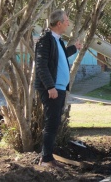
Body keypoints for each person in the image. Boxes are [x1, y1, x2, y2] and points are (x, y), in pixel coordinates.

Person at [35, 10, 82, 168]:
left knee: (54, 122)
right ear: (59, 23)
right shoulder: (45, 40)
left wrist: (74, 48)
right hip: (52, 89)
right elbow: (41, 65)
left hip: (59, 88)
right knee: (52, 122)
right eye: (67, 20)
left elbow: (59, 56)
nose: (68, 23)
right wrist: (50, 86)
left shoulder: (58, 41)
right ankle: (46, 159)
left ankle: (48, 157)